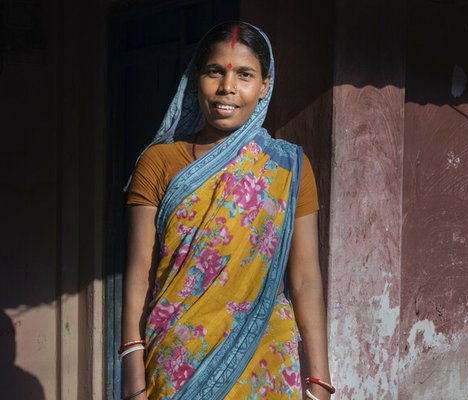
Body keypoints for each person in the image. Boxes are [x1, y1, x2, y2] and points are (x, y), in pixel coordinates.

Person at [120, 21, 333, 400]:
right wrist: (131, 367)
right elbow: (140, 271)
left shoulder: (289, 167)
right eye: (214, 71)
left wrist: (319, 380)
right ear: (195, 78)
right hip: (177, 359)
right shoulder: (159, 162)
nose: (227, 88)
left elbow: (304, 279)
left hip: (264, 359)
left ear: (265, 85)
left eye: (245, 75)